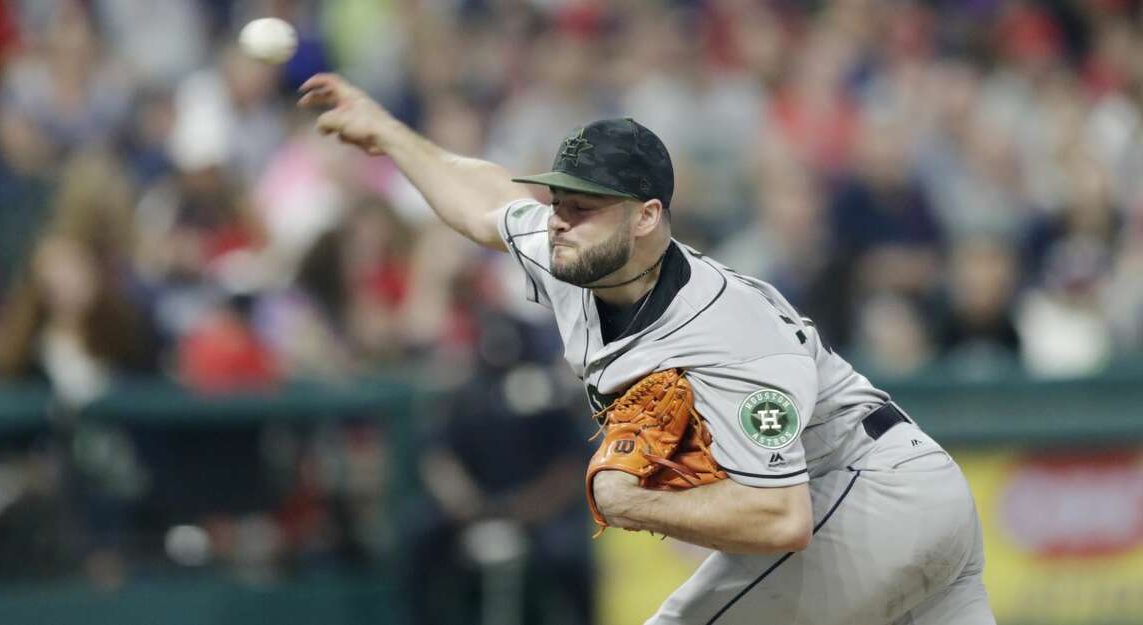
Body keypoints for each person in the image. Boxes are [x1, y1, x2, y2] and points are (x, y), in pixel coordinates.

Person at [299, 73, 995, 625]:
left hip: (865, 490)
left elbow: (782, 518)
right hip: (901, 494)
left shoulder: (729, 331)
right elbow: (482, 201)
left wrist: (631, 502)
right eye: (559, 201)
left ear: (646, 216)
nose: (560, 220)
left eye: (583, 206)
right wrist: (388, 133)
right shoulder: (578, 253)